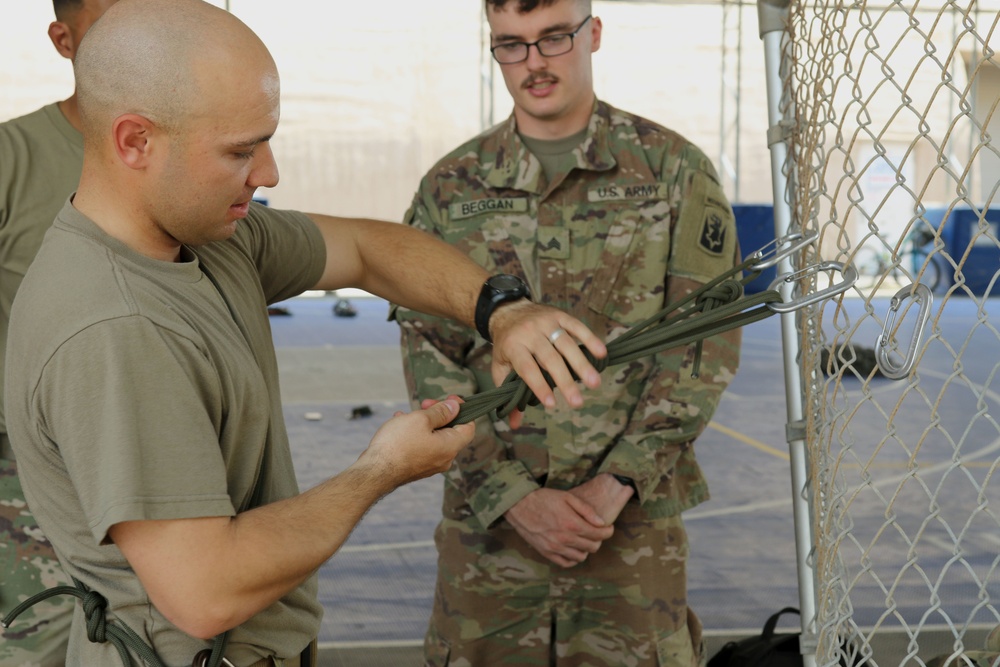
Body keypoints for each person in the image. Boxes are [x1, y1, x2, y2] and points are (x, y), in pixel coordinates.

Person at [2, 0, 608, 664]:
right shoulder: (116, 329)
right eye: (239, 150)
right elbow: (204, 589)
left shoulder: (201, 235)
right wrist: (381, 470)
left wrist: (501, 309)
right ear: (135, 141)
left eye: (265, 140)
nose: (267, 173)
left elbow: (364, 247)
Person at [391, 0, 742, 664]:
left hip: (629, 530)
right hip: (490, 540)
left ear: (593, 34)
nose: (535, 63)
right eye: (511, 45)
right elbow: (427, 347)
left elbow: (703, 343)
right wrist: (512, 496)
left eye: (553, 38)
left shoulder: (672, 171)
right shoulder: (449, 188)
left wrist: (615, 485)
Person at [0, 2, 118, 664]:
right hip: (35, 493)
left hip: (156, 479)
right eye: (110, 32)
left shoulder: (190, 161)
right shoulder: (11, 157)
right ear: (63, 40)